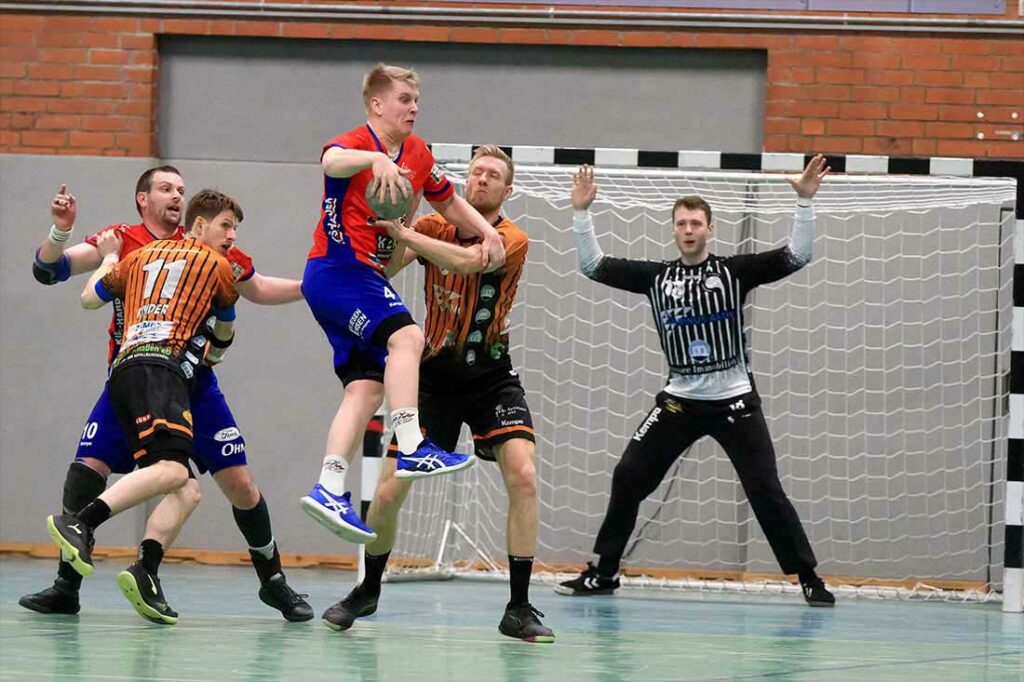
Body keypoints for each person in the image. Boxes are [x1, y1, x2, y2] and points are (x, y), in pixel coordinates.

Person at [21, 173, 312, 623]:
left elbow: (259, 288)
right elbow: (49, 269)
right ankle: (67, 585)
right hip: (138, 372)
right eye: (166, 188)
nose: (176, 194)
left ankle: (272, 581)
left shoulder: (214, 243)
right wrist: (62, 229)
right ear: (143, 199)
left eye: (181, 189)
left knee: (236, 485)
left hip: (194, 384)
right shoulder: (123, 241)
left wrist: (316, 287)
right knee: (88, 469)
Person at [556, 156, 836, 607]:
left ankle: (808, 576)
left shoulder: (735, 272)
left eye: (696, 223)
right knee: (628, 476)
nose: (688, 230)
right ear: (673, 230)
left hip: (735, 403)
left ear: (709, 229)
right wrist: (582, 213)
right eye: (681, 223)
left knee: (764, 488)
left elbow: (797, 256)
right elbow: (593, 266)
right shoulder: (656, 278)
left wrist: (804, 202)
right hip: (678, 403)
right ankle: (604, 572)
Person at [319, 146, 555, 642]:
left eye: (493, 175)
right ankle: (368, 589)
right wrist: (395, 215)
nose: (483, 180)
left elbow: (471, 263)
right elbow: (385, 269)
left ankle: (519, 605)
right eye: (476, 172)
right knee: (387, 489)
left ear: (508, 190)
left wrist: (408, 234)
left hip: (492, 374)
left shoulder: (509, 239)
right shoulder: (428, 226)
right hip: (436, 375)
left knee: (525, 475)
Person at [300, 63, 506, 545]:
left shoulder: (416, 151)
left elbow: (447, 199)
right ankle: (413, 443)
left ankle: (330, 485)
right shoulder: (351, 142)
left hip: (357, 276)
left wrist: (487, 229)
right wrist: (372, 161)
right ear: (377, 105)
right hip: (338, 269)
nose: (413, 108)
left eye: (416, 101)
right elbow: (331, 162)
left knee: (366, 389)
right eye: (403, 100)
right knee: (409, 336)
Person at [46, 202, 241, 625]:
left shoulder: (136, 257)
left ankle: (145, 571)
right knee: (172, 472)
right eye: (227, 226)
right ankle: (81, 522)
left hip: (125, 368)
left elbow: (87, 298)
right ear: (200, 227)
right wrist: (216, 350)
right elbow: (224, 334)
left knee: (186, 488)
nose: (232, 236)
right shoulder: (218, 267)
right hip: (160, 370)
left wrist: (112, 256)